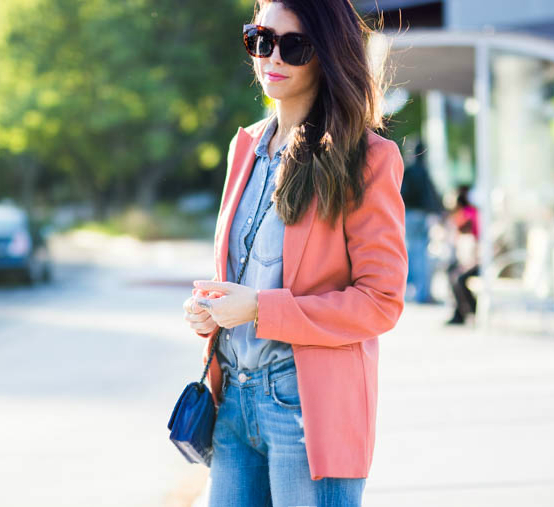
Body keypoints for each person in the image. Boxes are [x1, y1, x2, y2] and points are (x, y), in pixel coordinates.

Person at [182, 1, 408, 505]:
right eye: (261, 39)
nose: (271, 57)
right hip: (234, 402)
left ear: (326, 54)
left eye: (294, 45)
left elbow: (381, 301)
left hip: (307, 408)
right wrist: (214, 311)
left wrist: (261, 309)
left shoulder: (367, 159)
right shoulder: (245, 146)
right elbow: (244, 271)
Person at [400, 140, 444, 303]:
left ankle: (408, 292)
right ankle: (422, 293)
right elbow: (430, 193)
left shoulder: (407, 170)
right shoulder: (423, 171)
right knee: (421, 254)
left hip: (408, 215)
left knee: (409, 253)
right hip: (420, 215)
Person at [445, 184, 480, 325]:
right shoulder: (470, 212)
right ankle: (459, 311)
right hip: (469, 256)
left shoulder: (468, 214)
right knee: (451, 272)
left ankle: (469, 310)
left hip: (476, 257)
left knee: (458, 277)